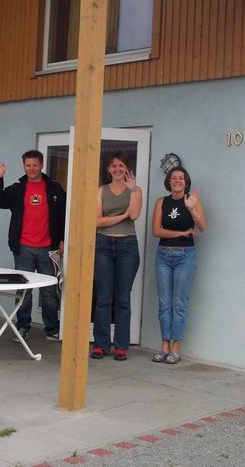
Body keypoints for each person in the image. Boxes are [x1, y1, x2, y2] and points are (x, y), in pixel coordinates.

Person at [0, 150, 66, 342]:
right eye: (28, 165)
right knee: (24, 291)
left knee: (49, 291)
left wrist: (62, 239)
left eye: (35, 165)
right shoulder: (18, 189)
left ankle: (52, 328)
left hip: (49, 248)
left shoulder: (54, 188)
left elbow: (65, 214)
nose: (32, 168)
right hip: (23, 248)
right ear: (24, 166)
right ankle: (22, 327)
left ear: (42, 165)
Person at [90, 152, 143, 361]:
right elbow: (97, 221)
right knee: (103, 297)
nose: (118, 169)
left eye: (121, 166)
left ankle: (121, 346)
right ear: (108, 169)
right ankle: (101, 344)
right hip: (103, 245)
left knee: (123, 298)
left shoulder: (135, 190)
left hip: (127, 246)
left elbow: (135, 214)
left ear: (126, 169)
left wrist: (133, 191)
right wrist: (122, 216)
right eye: (114, 166)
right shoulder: (101, 190)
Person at [151, 166, 207, 364]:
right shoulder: (161, 202)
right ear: (169, 181)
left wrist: (191, 209)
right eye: (173, 178)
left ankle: (175, 348)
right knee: (164, 303)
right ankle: (164, 346)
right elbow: (156, 231)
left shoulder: (193, 201)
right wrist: (182, 233)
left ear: (186, 182)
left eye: (181, 178)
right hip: (163, 255)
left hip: (185, 256)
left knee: (179, 303)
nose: (177, 181)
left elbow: (203, 226)